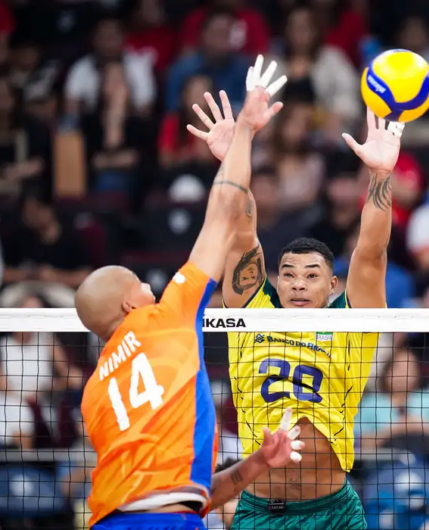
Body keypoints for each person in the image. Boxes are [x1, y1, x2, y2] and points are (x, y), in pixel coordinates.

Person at [73, 59, 304, 530]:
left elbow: (183, 495)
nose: (150, 286)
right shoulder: (166, 317)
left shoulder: (94, 392)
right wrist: (244, 133)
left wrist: (258, 462)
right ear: (128, 305)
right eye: (140, 283)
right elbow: (221, 212)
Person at [188, 56, 402, 530]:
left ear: (332, 286)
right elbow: (242, 234)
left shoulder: (352, 321)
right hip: (258, 512)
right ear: (276, 281)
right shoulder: (251, 311)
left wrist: (381, 176)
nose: (299, 283)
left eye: (311, 275)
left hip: (333, 513)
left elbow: (371, 254)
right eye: (288, 274)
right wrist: (235, 156)